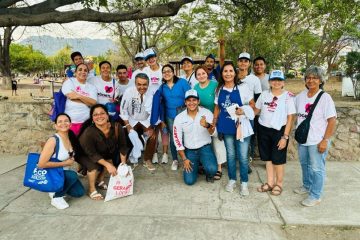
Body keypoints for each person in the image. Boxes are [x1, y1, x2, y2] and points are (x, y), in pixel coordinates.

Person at [294, 66, 336, 207]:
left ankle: (315, 195)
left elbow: (332, 120)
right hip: (303, 139)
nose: (311, 80)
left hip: (317, 140)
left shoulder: (325, 98)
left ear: (320, 80)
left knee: (317, 168)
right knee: (304, 164)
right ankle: (306, 186)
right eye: (308, 77)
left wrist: (325, 140)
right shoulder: (300, 96)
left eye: (314, 78)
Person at [213, 62, 255, 196]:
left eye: (231, 71)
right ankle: (232, 179)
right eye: (225, 71)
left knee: (242, 156)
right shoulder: (219, 89)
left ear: (235, 73)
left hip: (241, 126)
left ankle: (244, 183)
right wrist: (215, 123)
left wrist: (244, 110)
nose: (228, 73)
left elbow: (253, 106)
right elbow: (217, 108)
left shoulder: (243, 87)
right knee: (230, 156)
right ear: (222, 74)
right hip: (225, 127)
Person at [254, 70, 296, 196]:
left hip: (280, 131)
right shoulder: (263, 95)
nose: (276, 82)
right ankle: (270, 182)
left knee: (278, 159)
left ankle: (279, 184)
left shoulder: (288, 96)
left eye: (279, 80)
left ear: (283, 82)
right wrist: (243, 113)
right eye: (274, 80)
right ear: (269, 82)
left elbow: (290, 118)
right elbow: (256, 110)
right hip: (263, 129)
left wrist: (285, 136)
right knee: (267, 158)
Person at [77, 104, 128, 200]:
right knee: (94, 167)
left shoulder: (117, 127)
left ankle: (99, 181)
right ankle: (91, 190)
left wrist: (123, 165)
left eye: (102, 113)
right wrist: (108, 165)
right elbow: (91, 154)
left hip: (100, 152)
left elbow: (122, 146)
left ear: (107, 115)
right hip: (83, 154)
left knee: (110, 162)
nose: (99, 116)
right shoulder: (89, 132)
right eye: (95, 115)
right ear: (92, 118)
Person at [38, 113, 85, 209]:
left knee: (79, 193)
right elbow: (41, 164)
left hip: (63, 174)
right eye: (60, 121)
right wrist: (65, 163)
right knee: (72, 175)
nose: (63, 123)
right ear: (55, 126)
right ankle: (56, 195)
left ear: (70, 124)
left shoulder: (71, 138)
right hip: (53, 174)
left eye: (66, 121)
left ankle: (59, 188)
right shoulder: (53, 140)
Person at [173, 89, 218, 185]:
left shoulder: (207, 113)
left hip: (205, 148)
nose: (191, 103)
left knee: (212, 170)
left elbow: (215, 133)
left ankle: (204, 168)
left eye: (194, 100)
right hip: (190, 151)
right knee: (189, 181)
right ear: (185, 102)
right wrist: (184, 159)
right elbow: (177, 140)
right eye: (189, 100)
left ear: (198, 101)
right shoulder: (179, 118)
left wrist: (207, 125)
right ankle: (197, 167)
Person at [193, 66, 226, 180]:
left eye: (203, 73)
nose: (201, 76)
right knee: (205, 141)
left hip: (216, 116)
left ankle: (219, 167)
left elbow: (219, 103)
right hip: (203, 118)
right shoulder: (195, 88)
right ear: (196, 77)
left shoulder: (215, 85)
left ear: (207, 74)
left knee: (217, 141)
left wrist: (216, 119)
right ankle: (205, 163)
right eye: (198, 74)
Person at [120, 73, 157, 171]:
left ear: (148, 84)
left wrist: (152, 127)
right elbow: (123, 109)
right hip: (132, 118)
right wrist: (128, 126)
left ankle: (147, 159)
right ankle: (131, 158)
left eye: (144, 84)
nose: (142, 87)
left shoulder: (153, 92)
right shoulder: (128, 91)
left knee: (152, 137)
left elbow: (156, 110)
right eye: (139, 84)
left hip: (146, 119)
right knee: (127, 135)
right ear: (135, 84)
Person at [158, 64, 191, 170]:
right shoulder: (162, 87)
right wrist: (162, 119)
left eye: (169, 71)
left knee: (186, 136)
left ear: (173, 73)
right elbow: (160, 103)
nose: (166, 73)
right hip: (170, 116)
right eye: (164, 72)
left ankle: (188, 158)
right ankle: (175, 160)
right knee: (174, 138)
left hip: (184, 114)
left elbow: (190, 96)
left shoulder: (182, 82)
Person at [143, 48, 169, 164]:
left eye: (152, 57)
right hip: (150, 104)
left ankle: (164, 154)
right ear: (146, 61)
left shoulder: (163, 69)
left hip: (163, 102)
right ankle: (154, 153)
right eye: (148, 58)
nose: (151, 60)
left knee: (164, 129)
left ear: (156, 57)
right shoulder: (145, 70)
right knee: (153, 129)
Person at [237, 52, 262, 170]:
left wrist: (253, 112)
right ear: (238, 62)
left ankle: (247, 162)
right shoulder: (232, 76)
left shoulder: (254, 79)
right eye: (241, 60)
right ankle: (238, 160)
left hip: (248, 111)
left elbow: (258, 98)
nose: (243, 63)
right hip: (234, 112)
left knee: (249, 138)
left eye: (246, 61)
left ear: (249, 63)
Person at [62, 63, 97, 135]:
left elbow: (93, 103)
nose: (83, 72)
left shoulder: (91, 87)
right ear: (75, 72)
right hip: (70, 122)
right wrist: (88, 101)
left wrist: (78, 96)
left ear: (88, 73)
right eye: (80, 70)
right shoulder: (70, 81)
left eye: (85, 70)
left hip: (86, 123)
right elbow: (70, 96)